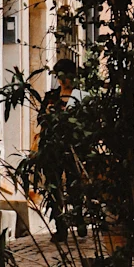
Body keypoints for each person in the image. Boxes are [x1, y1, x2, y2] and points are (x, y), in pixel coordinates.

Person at [39, 58, 83, 243]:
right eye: (60, 76)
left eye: (66, 76)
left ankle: (78, 218)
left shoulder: (80, 97)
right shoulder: (51, 97)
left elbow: (85, 123)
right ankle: (60, 227)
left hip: (73, 147)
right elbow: (41, 120)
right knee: (53, 186)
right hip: (52, 148)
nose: (63, 80)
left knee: (75, 185)